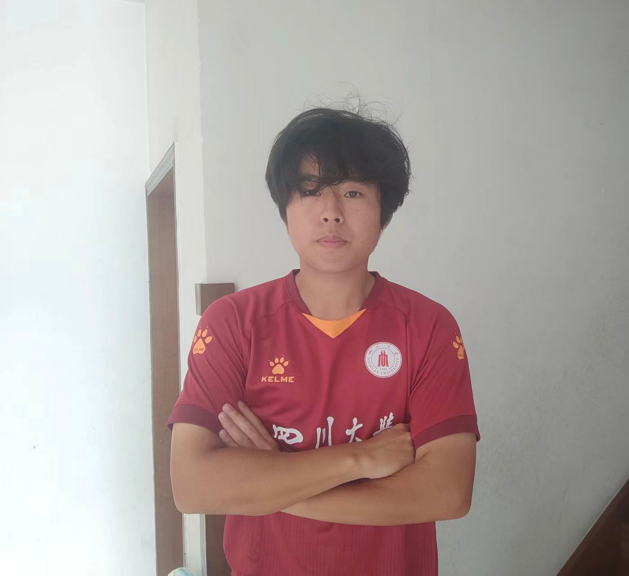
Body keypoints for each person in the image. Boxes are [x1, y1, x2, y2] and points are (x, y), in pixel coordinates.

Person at [166, 104, 481, 576]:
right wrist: (359, 458)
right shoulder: (233, 323)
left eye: (352, 192)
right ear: (285, 209)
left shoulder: (428, 327)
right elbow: (193, 487)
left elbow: (447, 493)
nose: (331, 213)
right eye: (311, 191)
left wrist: (273, 480)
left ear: (383, 213)